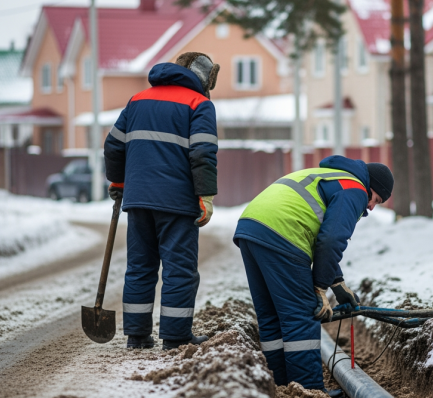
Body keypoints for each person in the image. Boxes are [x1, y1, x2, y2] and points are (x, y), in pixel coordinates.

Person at [233, 155, 394, 395]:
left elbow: (323, 240)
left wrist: (337, 284)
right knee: (301, 317)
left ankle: (280, 385)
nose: (370, 207)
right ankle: (308, 391)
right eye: (376, 199)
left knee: (271, 316)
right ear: (370, 188)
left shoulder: (333, 177)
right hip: (283, 233)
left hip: (251, 228)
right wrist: (319, 287)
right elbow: (330, 241)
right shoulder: (355, 189)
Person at [104, 52, 220, 350]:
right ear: (203, 78)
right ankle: (176, 336)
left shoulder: (137, 100)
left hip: (139, 199)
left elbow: (114, 145)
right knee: (179, 270)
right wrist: (205, 195)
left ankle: (137, 335)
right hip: (177, 202)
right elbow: (203, 153)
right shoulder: (199, 105)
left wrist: (119, 183)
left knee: (140, 267)